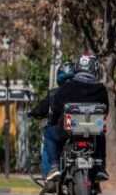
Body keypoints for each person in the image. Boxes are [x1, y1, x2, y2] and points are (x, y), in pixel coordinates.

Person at [46, 53, 109, 183]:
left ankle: (54, 167)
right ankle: (101, 167)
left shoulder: (67, 86)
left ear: (78, 66)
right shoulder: (101, 89)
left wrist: (54, 120)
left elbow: (56, 108)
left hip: (68, 129)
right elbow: (105, 110)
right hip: (93, 131)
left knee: (48, 134)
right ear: (95, 68)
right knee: (101, 135)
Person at [28, 61, 76, 184]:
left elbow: (42, 108)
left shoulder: (55, 93)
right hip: (82, 129)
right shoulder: (81, 90)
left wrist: (33, 113)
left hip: (61, 130)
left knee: (47, 136)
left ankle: (49, 177)